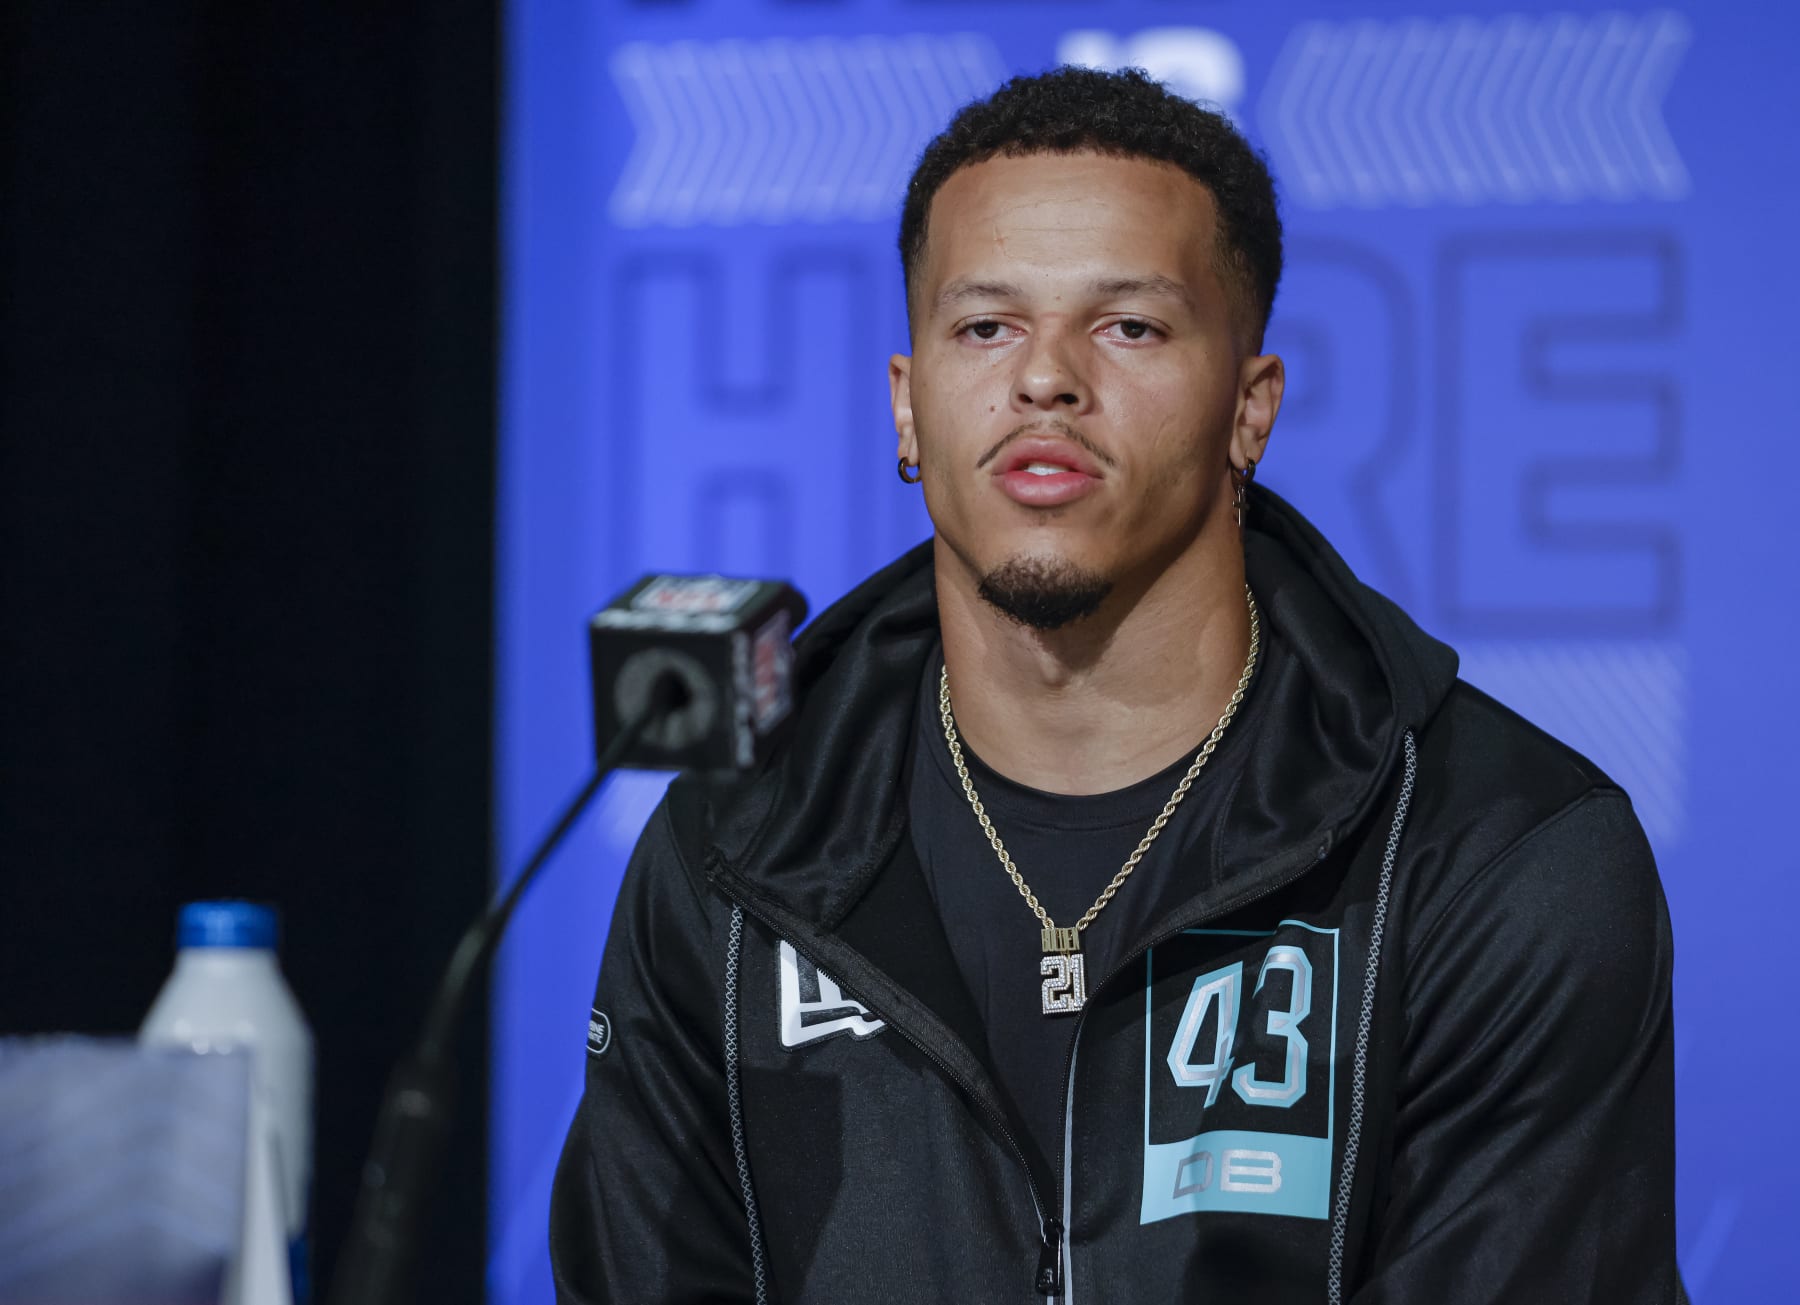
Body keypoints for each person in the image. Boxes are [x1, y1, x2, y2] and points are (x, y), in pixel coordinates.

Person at [550, 67, 1677, 1303]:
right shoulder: (736, 850)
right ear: (907, 405)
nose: (1046, 380)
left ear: (1250, 408)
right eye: (986, 327)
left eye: (1128, 326)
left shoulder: (1495, 852)